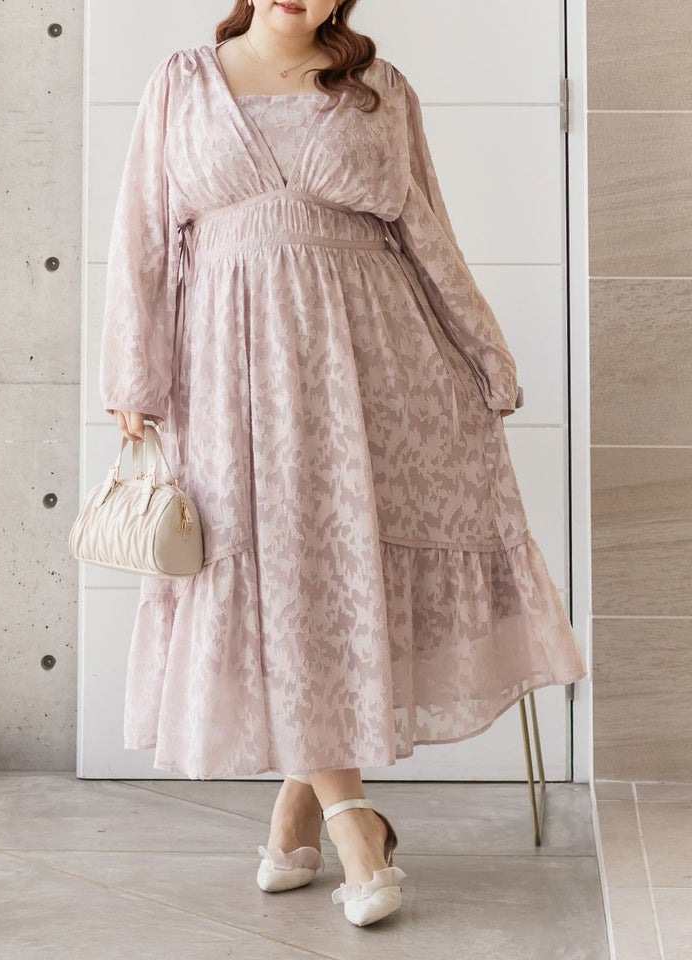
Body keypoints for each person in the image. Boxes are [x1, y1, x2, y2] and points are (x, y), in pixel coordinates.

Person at [98, 0, 588, 927]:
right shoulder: (181, 83)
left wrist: (482, 350)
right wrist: (133, 372)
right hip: (229, 366)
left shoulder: (380, 88)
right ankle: (356, 822)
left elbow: (426, 229)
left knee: (326, 580)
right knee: (278, 576)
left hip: (375, 359)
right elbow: (142, 237)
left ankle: (309, 808)